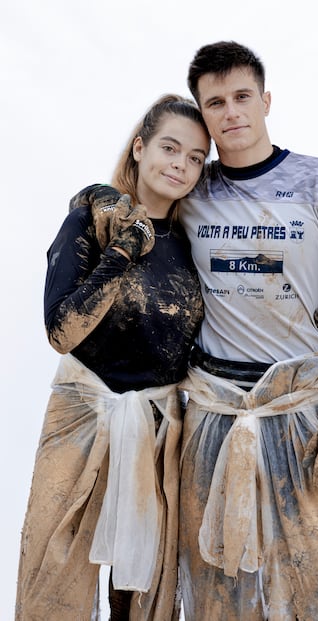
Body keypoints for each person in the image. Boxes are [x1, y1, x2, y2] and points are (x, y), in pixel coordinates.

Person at [174, 41, 318, 621]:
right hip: (214, 414)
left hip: (303, 414)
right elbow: (136, 198)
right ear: (202, 114)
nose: (231, 111)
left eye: (242, 96)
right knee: (218, 587)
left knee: (316, 580)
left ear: (265, 101)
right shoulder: (192, 188)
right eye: (214, 103)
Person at [15, 94, 211, 621]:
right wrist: (123, 251)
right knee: (54, 575)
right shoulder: (92, 218)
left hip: (159, 426)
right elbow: (60, 331)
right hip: (82, 417)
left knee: (143, 586)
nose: (181, 165)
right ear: (140, 147)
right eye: (170, 148)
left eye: (196, 157)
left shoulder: (196, 241)